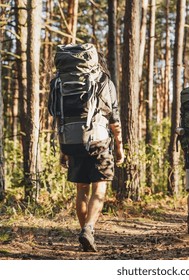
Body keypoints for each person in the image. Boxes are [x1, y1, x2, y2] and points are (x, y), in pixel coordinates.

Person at [59, 53, 124, 252]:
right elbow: (114, 120)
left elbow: (59, 117)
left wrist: (63, 149)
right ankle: (88, 229)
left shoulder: (62, 82)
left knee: (81, 190)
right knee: (99, 189)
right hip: (99, 140)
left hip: (71, 140)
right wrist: (120, 147)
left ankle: (84, 233)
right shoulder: (105, 81)